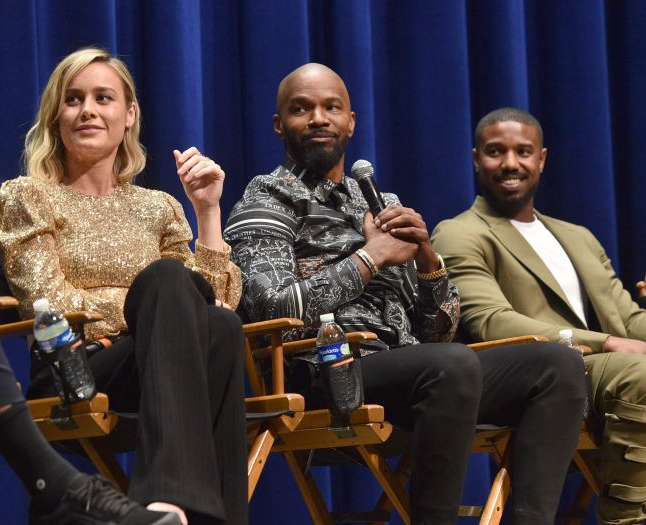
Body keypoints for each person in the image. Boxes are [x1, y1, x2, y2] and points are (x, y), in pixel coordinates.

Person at [224, 63, 587, 525]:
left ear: (351, 121)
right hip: (321, 367)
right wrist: (370, 258)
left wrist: (427, 259)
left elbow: (438, 331)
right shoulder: (265, 199)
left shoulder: (381, 203)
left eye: (331, 107)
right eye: (302, 109)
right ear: (280, 125)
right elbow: (268, 306)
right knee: (449, 365)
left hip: (414, 366)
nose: (318, 118)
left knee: (559, 364)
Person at [0, 48, 247, 525]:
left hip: (159, 364)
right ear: (55, 117)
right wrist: (149, 308)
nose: (87, 109)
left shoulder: (159, 206)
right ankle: (164, 499)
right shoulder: (25, 197)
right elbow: (50, 304)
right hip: (76, 364)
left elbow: (217, 303)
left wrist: (208, 212)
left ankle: (198, 516)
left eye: (103, 98)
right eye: (73, 99)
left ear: (128, 116)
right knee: (167, 280)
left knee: (223, 330)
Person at [431, 106, 646, 525]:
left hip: (606, 364)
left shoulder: (577, 236)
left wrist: (621, 338)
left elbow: (626, 317)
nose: (510, 163)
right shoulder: (458, 232)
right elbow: (490, 320)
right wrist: (608, 343)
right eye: (496, 152)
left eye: (523, 152)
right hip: (547, 371)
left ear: (541, 159)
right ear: (476, 158)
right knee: (640, 375)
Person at [0, 249, 180, 525]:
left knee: (216, 322)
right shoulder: (35, 206)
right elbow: (50, 298)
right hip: (78, 369)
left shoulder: (160, 207)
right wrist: (137, 305)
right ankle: (54, 485)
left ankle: (56, 486)